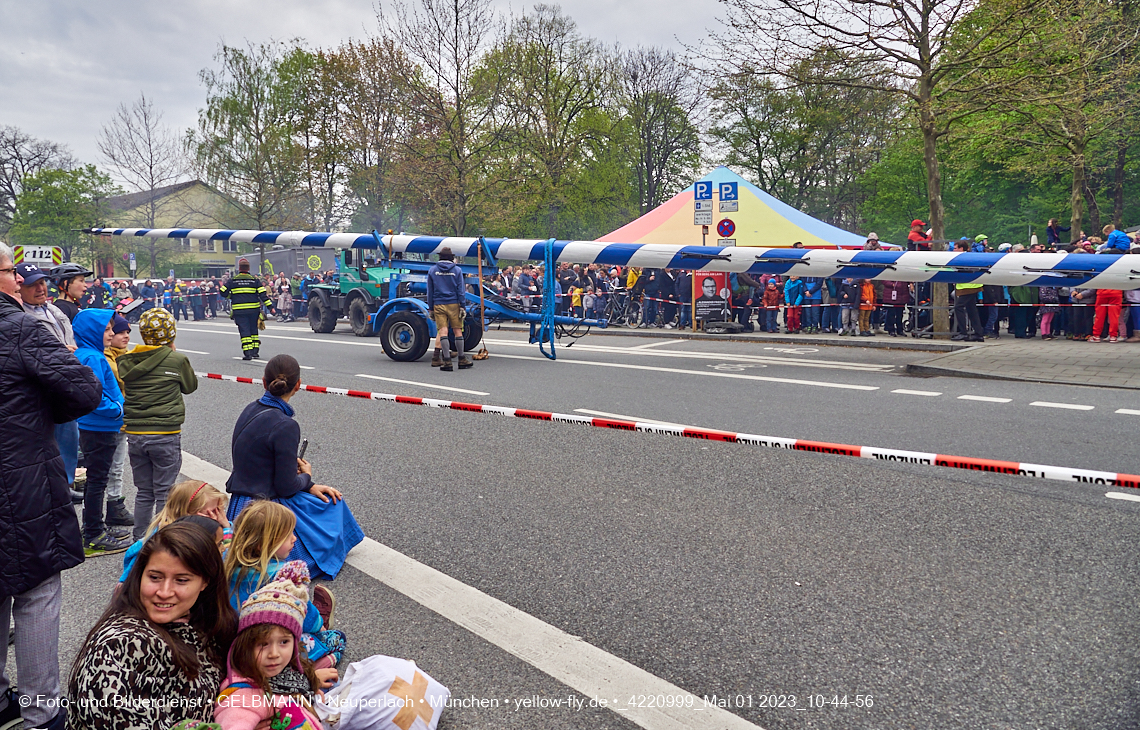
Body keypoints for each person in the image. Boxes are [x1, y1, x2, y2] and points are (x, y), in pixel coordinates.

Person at [0, 243, 101, 730]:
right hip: (21, 483)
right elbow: (84, 388)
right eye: (9, 272)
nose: (18, 282)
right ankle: (41, 712)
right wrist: (42, 411)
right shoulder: (21, 328)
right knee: (37, 590)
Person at [67, 523, 237, 730]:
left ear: (205, 582)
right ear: (140, 575)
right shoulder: (121, 646)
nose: (164, 592)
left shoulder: (205, 624)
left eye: (181, 580)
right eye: (155, 577)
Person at [226, 355, 363, 580]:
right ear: (298, 385)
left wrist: (307, 484)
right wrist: (307, 478)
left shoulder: (250, 409)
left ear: (263, 382)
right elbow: (286, 486)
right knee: (333, 505)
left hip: (239, 505)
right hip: (267, 507)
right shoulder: (286, 425)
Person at [224, 503, 343, 667]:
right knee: (335, 639)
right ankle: (315, 668)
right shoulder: (284, 577)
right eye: (288, 535)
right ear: (263, 543)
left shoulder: (227, 562)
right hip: (271, 645)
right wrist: (319, 627)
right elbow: (305, 619)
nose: (294, 538)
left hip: (234, 643)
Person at [118, 307, 199, 539]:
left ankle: (139, 540)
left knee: (144, 491)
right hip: (165, 432)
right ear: (171, 334)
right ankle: (162, 539)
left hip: (135, 433)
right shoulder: (176, 360)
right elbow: (190, 386)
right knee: (164, 491)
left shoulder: (127, 360)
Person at [73, 308, 133, 556]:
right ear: (92, 332)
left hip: (94, 426)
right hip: (100, 426)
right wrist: (117, 410)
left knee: (96, 480)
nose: (111, 333)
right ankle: (94, 534)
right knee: (98, 481)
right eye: (106, 329)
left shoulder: (88, 353)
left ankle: (95, 528)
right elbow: (93, 395)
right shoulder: (94, 358)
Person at [120, 479, 233, 581]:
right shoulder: (162, 541)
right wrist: (227, 531)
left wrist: (225, 526)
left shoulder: (211, 529)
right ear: (189, 515)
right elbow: (225, 561)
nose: (218, 517)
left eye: (220, 510)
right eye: (212, 512)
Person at [104, 313, 136, 531]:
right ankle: (113, 506)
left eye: (127, 333)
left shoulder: (125, 355)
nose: (125, 336)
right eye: (120, 332)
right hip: (111, 421)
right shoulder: (107, 358)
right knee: (111, 468)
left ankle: (114, 503)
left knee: (117, 466)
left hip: (123, 420)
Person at [427, 247, 470, 370]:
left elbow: (430, 291)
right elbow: (461, 290)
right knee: (457, 331)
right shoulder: (457, 270)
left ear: (440, 257)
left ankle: (447, 362)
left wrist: (431, 308)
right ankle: (462, 359)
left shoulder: (432, 270)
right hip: (454, 304)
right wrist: (463, 305)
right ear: (451, 257)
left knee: (443, 331)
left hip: (438, 304)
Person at [220, 259, 272, 360]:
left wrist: (231, 296)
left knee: (244, 331)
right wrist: (271, 308)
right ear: (248, 268)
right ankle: (255, 352)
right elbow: (263, 295)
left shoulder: (233, 280)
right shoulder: (254, 280)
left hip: (239, 311)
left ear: (239, 268)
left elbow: (222, 291)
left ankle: (247, 353)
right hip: (254, 310)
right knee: (253, 329)